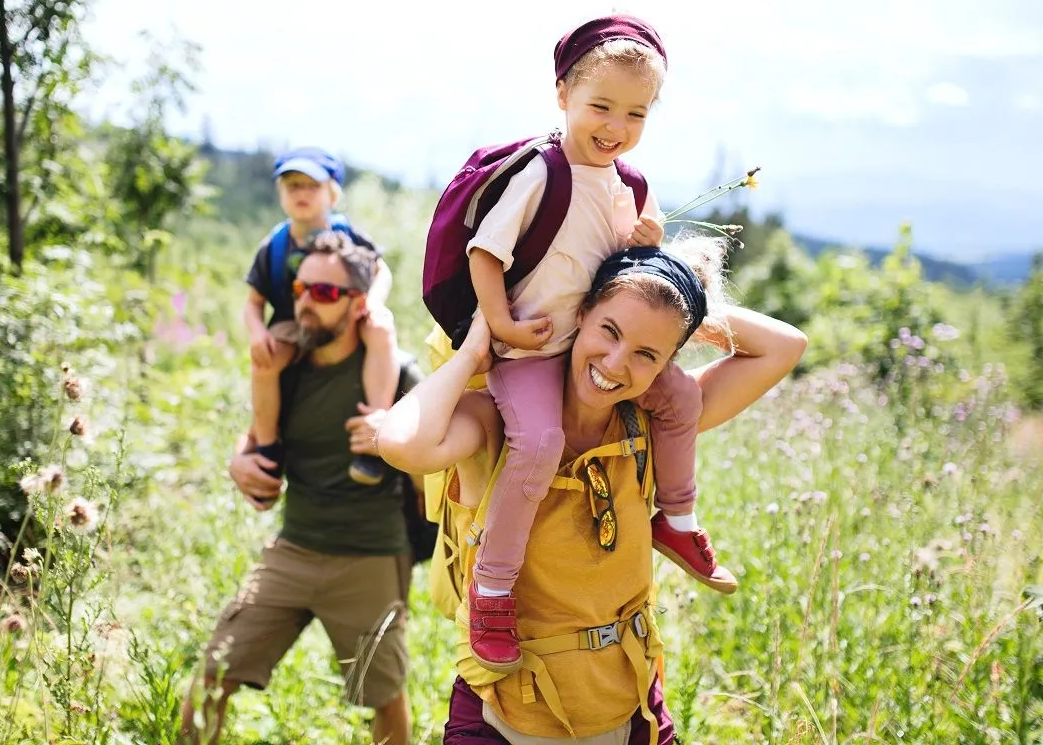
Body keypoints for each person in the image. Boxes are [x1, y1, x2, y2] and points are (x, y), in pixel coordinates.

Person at [379, 240, 808, 744]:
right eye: (609, 330)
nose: (616, 362)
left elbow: (786, 346)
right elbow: (402, 443)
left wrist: (675, 298)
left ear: (666, 363)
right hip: (503, 714)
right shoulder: (496, 419)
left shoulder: (653, 424)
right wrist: (475, 350)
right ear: (579, 313)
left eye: (647, 353)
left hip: (631, 711)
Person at [460, 14, 734, 673]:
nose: (616, 125)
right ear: (563, 95)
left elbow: (621, 273)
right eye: (601, 106)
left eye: (635, 113)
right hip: (530, 350)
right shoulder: (541, 172)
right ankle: (492, 588)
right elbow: (485, 252)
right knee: (540, 442)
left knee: (677, 400)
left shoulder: (628, 185)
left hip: (589, 343)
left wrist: (642, 241)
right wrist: (498, 324)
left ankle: (677, 517)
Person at [182, 232, 419, 745]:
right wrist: (237, 465)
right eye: (300, 288)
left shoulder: (397, 374)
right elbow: (253, 441)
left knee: (383, 695)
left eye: (325, 293)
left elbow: (435, 463)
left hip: (371, 557)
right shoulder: (287, 367)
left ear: (359, 304)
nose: (306, 302)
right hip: (294, 550)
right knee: (212, 675)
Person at [244, 146, 400, 487]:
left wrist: (372, 302)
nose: (301, 194)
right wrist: (257, 333)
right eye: (292, 186)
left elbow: (380, 270)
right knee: (265, 363)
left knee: (381, 328)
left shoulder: (348, 235)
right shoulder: (274, 245)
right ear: (280, 193)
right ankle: (268, 447)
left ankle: (373, 430)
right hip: (292, 320)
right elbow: (253, 301)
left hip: (344, 314)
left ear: (332, 193)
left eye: (311, 186)